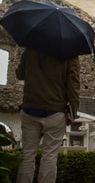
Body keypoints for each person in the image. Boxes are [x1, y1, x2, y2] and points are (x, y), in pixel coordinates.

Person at [15, 48, 80, 183]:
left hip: (30, 108)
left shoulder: (31, 48)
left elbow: (20, 74)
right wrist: (73, 111)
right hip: (55, 110)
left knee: (28, 155)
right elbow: (73, 84)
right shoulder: (70, 53)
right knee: (49, 156)